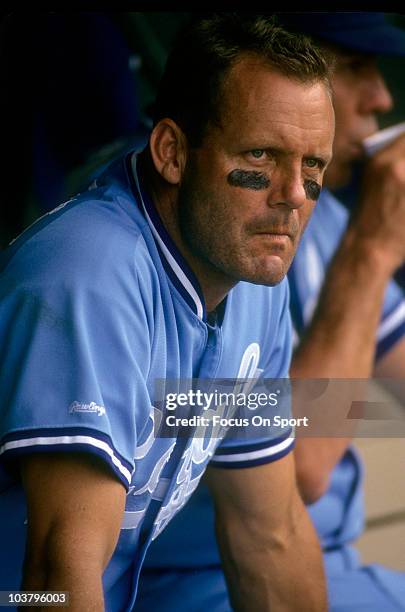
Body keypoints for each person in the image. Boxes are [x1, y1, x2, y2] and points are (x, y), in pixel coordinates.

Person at [0, 14, 335, 612]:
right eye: (261, 155)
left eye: (313, 167)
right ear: (173, 153)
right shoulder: (87, 276)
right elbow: (55, 571)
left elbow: (269, 536)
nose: (291, 195)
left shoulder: (255, 279)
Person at [136, 12, 405, 612]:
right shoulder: (218, 223)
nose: (381, 97)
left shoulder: (323, 214)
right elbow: (305, 463)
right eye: (355, 68)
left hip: (331, 560)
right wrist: (374, 250)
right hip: (201, 581)